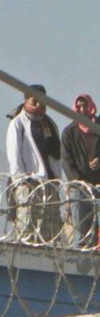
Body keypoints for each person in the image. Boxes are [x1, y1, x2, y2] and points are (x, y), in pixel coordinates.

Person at [5, 86, 64, 245]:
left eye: (42, 102)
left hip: (49, 183)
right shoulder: (18, 123)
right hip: (29, 183)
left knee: (50, 230)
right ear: (26, 101)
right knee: (28, 228)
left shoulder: (49, 124)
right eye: (34, 101)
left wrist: (58, 179)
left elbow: (56, 155)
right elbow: (14, 152)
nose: (38, 106)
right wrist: (20, 179)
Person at [59, 94, 100, 248]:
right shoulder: (70, 132)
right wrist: (78, 181)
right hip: (80, 189)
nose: (82, 109)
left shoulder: (98, 128)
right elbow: (66, 161)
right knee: (83, 233)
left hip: (99, 185)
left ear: (91, 106)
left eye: (85, 106)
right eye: (79, 106)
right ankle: (82, 266)